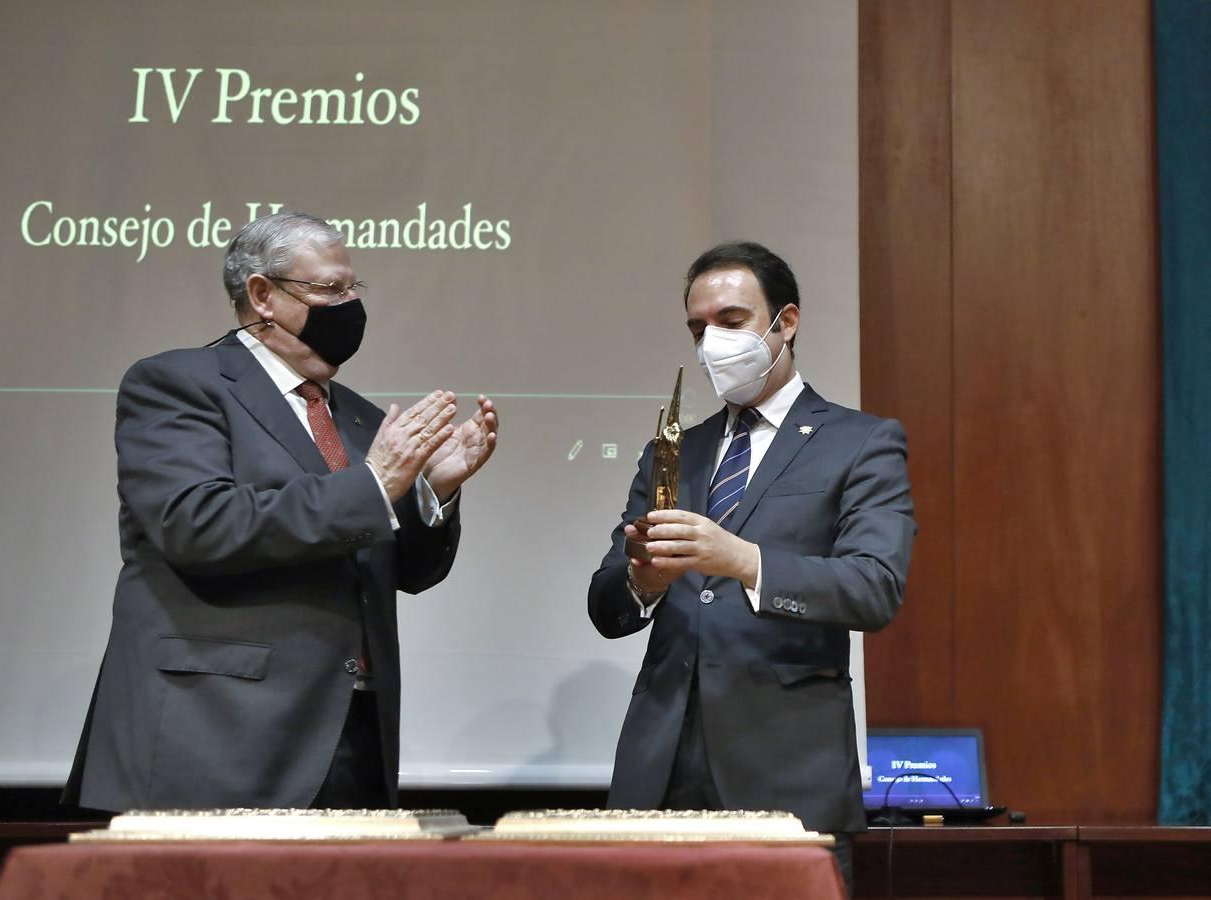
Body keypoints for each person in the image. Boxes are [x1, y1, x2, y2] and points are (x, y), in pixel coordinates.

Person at [63, 212, 498, 812]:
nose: (348, 306)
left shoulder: (362, 418)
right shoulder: (178, 383)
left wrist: (433, 493)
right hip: (216, 734)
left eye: (352, 289)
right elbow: (198, 525)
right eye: (328, 291)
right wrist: (374, 483)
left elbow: (409, 573)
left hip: (350, 735)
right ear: (262, 294)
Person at [588, 241, 914, 891]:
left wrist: (741, 560)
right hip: (660, 774)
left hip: (788, 776)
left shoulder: (860, 442)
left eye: (731, 322)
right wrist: (641, 583)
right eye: (697, 328)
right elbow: (607, 605)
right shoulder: (674, 448)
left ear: (784, 322)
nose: (712, 341)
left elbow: (873, 588)